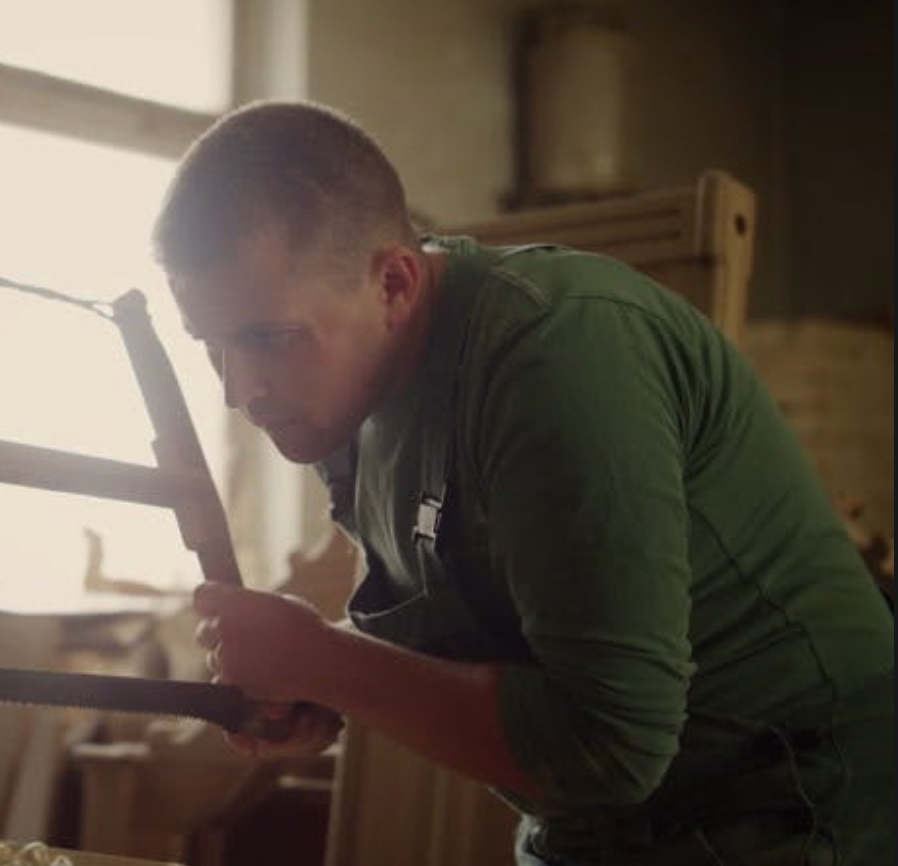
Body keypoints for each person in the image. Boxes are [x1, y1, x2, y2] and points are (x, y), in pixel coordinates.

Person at [153, 100, 894, 865]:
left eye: (267, 339)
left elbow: (612, 746)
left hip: (802, 813)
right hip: (593, 833)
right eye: (212, 346)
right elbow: (465, 639)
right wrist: (322, 683)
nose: (239, 389)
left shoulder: (555, 354)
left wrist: (324, 662)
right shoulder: (351, 403)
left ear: (396, 284)